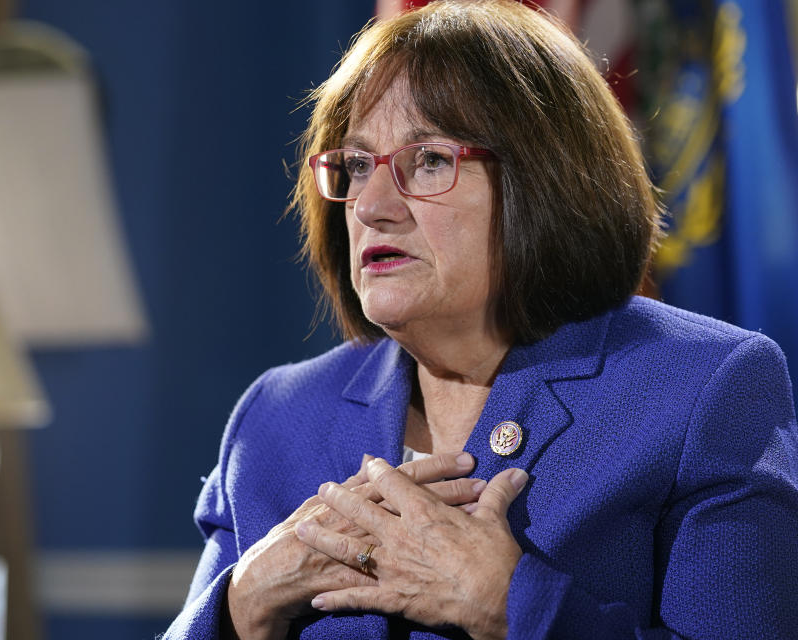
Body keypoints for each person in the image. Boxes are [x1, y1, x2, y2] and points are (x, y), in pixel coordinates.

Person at [163, 1, 798, 638]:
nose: (373, 205)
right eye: (357, 165)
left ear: (547, 179)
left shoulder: (703, 388)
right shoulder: (276, 418)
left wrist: (511, 604)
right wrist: (239, 606)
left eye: (430, 160)